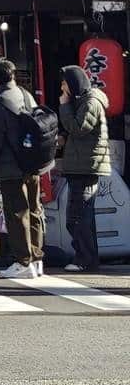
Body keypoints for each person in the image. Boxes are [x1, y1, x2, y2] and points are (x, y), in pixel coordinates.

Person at [0, 58, 45, 279]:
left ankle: (23, 261)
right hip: (33, 163)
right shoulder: (26, 95)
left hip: (11, 167)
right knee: (35, 209)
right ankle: (37, 258)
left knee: (17, 213)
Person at [59, 64, 110, 273]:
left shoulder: (90, 102)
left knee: (78, 216)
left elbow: (78, 128)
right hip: (82, 165)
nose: (62, 88)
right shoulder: (84, 101)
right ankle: (87, 257)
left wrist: (64, 106)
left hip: (86, 167)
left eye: (64, 83)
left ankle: (84, 258)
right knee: (81, 215)